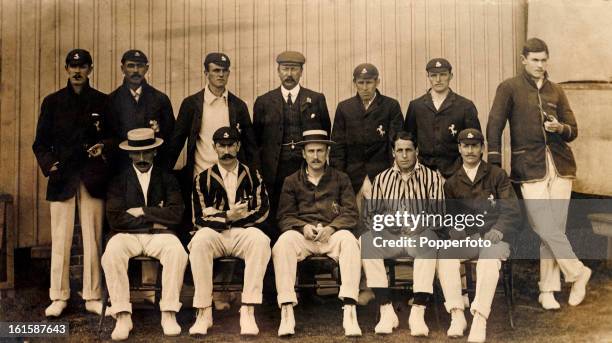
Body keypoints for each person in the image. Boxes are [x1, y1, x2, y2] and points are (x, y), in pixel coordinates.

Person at [486, 38, 591, 310]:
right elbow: (494, 126)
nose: (540, 65)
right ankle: (578, 272)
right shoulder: (509, 87)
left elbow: (574, 130)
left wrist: (561, 128)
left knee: (554, 231)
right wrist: (495, 165)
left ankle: (548, 290)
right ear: (523, 60)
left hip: (561, 166)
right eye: (534, 60)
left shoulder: (556, 90)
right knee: (543, 226)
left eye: (544, 60)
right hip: (528, 167)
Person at [32, 49, 110, 318]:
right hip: (62, 177)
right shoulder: (52, 102)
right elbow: (40, 143)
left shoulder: (102, 101)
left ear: (90, 69)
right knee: (61, 238)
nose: (78, 71)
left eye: (83, 66)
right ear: (66, 69)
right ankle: (59, 296)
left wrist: (104, 147)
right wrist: (50, 164)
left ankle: (93, 295)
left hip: (92, 177)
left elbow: (113, 137)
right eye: (73, 67)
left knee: (93, 237)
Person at [272, 130, 362, 337]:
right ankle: (286, 310)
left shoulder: (340, 178)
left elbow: (351, 213)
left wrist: (332, 227)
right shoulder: (291, 181)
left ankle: (350, 310)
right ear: (303, 153)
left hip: (332, 235)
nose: (315, 156)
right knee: (283, 243)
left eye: (320, 151)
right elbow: (284, 216)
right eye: (311, 151)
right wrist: (302, 226)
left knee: (349, 241)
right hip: (303, 237)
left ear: (327, 152)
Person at [102, 128, 188, 341]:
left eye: (147, 152)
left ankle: (168, 313)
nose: (141, 158)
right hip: (128, 235)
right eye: (137, 153)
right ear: (130, 154)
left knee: (177, 251)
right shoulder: (118, 180)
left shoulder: (167, 178)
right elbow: (115, 218)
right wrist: (157, 216)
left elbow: (176, 213)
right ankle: (122, 315)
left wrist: (143, 211)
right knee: (112, 252)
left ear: (155, 152)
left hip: (159, 236)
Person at [437, 128, 521, 342]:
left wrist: (498, 229)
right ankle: (457, 314)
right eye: (466, 146)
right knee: (445, 254)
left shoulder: (497, 175)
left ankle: (479, 318)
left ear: (482, 148)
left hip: (496, 238)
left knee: (489, 258)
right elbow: (453, 219)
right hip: (471, 238)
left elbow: (511, 210)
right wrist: (460, 231)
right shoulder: (452, 183)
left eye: (475, 146)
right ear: (459, 148)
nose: (470, 150)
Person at [188, 127, 270, 336]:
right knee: (198, 241)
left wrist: (233, 218)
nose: (226, 150)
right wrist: (227, 217)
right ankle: (204, 311)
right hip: (216, 233)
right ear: (214, 147)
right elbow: (198, 217)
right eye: (221, 146)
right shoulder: (203, 178)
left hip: (243, 231)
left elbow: (262, 210)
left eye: (230, 145)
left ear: (238, 146)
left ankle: (248, 310)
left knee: (260, 240)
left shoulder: (253, 175)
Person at [360, 131, 444, 336]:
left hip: (418, 236)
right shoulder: (382, 179)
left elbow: (440, 215)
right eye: (400, 150)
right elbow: (370, 216)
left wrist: (418, 224)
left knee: (429, 240)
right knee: (367, 240)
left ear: (417, 151)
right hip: (392, 238)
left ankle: (418, 312)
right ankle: (386, 309)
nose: (404, 155)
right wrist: (387, 224)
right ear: (393, 153)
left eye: (408, 150)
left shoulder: (431, 178)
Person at [167, 52, 259, 230]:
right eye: (216, 70)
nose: (221, 75)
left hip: (230, 177)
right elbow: (175, 144)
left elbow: (251, 146)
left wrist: (254, 178)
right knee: (201, 228)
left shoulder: (238, 106)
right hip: (200, 178)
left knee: (232, 226)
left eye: (225, 70)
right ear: (206, 73)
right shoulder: (191, 104)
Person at [253, 51, 331, 239]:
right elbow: (256, 141)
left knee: (305, 211)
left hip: (305, 169)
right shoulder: (264, 102)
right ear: (278, 71)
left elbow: (325, 133)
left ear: (301, 71)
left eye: (294, 69)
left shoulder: (316, 99)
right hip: (274, 171)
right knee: (273, 216)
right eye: (285, 69)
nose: (289, 74)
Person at [330, 63, 404, 212]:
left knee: (383, 222)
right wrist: (340, 180)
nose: (365, 87)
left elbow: (397, 145)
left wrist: (394, 178)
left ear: (377, 82)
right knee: (354, 221)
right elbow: (337, 148)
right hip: (352, 177)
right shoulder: (345, 108)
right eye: (360, 83)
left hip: (382, 175)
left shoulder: (391, 106)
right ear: (354, 83)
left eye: (369, 82)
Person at [404, 58, 481, 179]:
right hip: (423, 172)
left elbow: (475, 142)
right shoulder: (416, 106)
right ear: (428, 76)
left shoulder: (465, 106)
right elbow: (408, 142)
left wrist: (461, 170)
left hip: (456, 172)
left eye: (443, 75)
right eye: (433, 75)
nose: (438, 80)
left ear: (451, 76)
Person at [108, 49, 175, 169]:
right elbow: (109, 138)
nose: (135, 70)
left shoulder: (160, 99)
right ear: (122, 69)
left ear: (146, 68)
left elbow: (170, 136)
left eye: (140, 66)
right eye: (130, 66)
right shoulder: (112, 100)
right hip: (122, 168)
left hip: (154, 167)